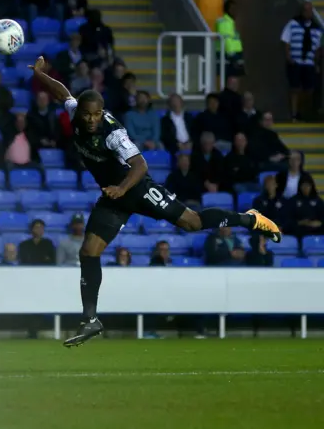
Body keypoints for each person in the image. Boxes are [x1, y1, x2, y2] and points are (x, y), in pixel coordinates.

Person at [27, 55, 282, 348]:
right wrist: (40, 75)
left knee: (192, 222)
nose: (92, 120)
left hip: (134, 188)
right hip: (114, 194)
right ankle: (91, 320)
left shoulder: (114, 135)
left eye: (97, 115)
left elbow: (140, 166)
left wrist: (122, 189)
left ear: (102, 112)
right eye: (87, 115)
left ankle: (251, 219)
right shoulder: (75, 111)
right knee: (88, 251)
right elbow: (64, 93)